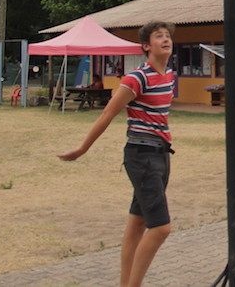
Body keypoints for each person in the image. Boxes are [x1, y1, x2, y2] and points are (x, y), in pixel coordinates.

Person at [58, 21, 176, 287]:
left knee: (138, 224)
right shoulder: (137, 78)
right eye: (159, 36)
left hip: (161, 154)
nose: (166, 40)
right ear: (146, 46)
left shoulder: (169, 75)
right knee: (161, 228)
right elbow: (108, 113)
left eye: (168, 36)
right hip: (141, 156)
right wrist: (82, 149)